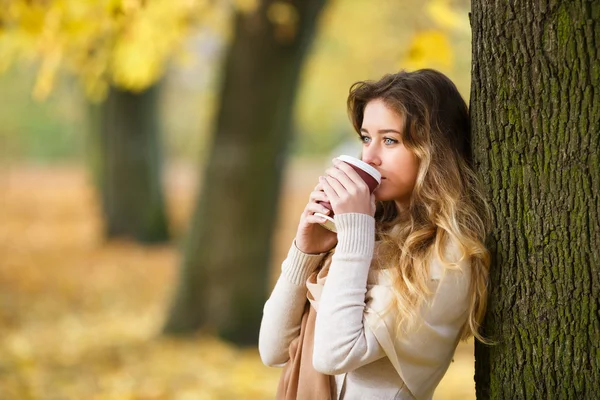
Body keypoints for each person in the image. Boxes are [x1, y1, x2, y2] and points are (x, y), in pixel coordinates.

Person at [258, 69, 491, 400]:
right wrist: (303, 253)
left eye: (390, 140)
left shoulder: (447, 254)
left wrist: (355, 231)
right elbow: (272, 350)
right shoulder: (368, 231)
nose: (369, 157)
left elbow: (333, 356)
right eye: (366, 138)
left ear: (433, 150)